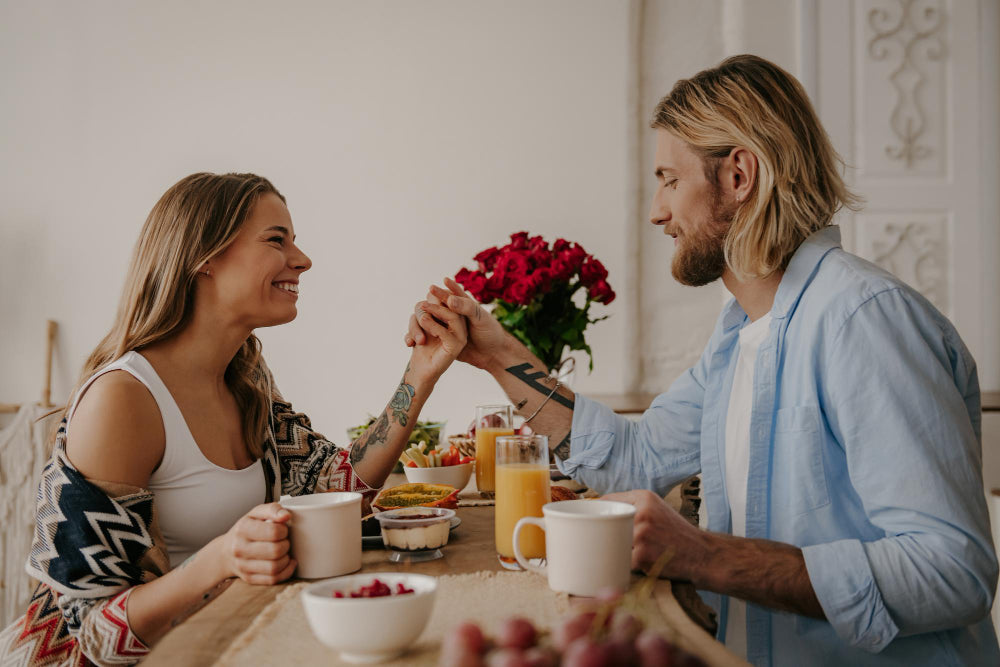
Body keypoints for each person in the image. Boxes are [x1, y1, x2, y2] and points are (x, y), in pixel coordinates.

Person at [407, 55, 999, 665]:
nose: (657, 212)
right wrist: (496, 350)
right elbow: (635, 459)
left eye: (669, 178)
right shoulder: (739, 331)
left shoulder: (863, 321)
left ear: (738, 174)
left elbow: (954, 573)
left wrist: (703, 555)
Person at [0, 172, 467, 665]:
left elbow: (338, 489)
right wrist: (221, 559)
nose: (303, 259)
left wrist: (421, 373)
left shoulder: (245, 377)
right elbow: (92, 636)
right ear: (204, 257)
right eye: (276, 240)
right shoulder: (122, 400)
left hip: (218, 645)